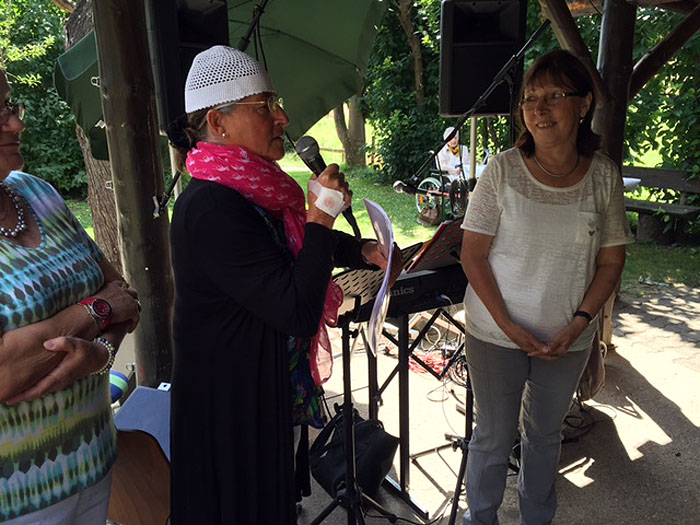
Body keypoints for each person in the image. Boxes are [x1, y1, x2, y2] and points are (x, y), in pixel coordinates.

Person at [168, 45, 400, 524]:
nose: (283, 118)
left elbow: (287, 246)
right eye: (264, 107)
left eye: (275, 103)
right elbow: (295, 308)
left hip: (265, 387)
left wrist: (360, 250)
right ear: (218, 122)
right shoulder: (210, 206)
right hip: (231, 406)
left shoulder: (252, 186)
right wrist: (321, 215)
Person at [459, 49, 633, 524]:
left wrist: (579, 324)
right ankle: (481, 518)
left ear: (583, 104)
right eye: (530, 98)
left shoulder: (603, 176)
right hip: (496, 334)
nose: (538, 109)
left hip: (567, 338)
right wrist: (508, 326)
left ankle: (538, 518)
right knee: (494, 437)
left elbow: (611, 261)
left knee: (544, 436)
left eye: (554, 96)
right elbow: (472, 255)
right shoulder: (502, 170)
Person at [0, 69, 141, 523]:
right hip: (17, 500)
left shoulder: (38, 193)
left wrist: (100, 353)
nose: (17, 123)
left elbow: (125, 298)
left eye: (10, 106)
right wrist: (94, 311)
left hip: (93, 460)